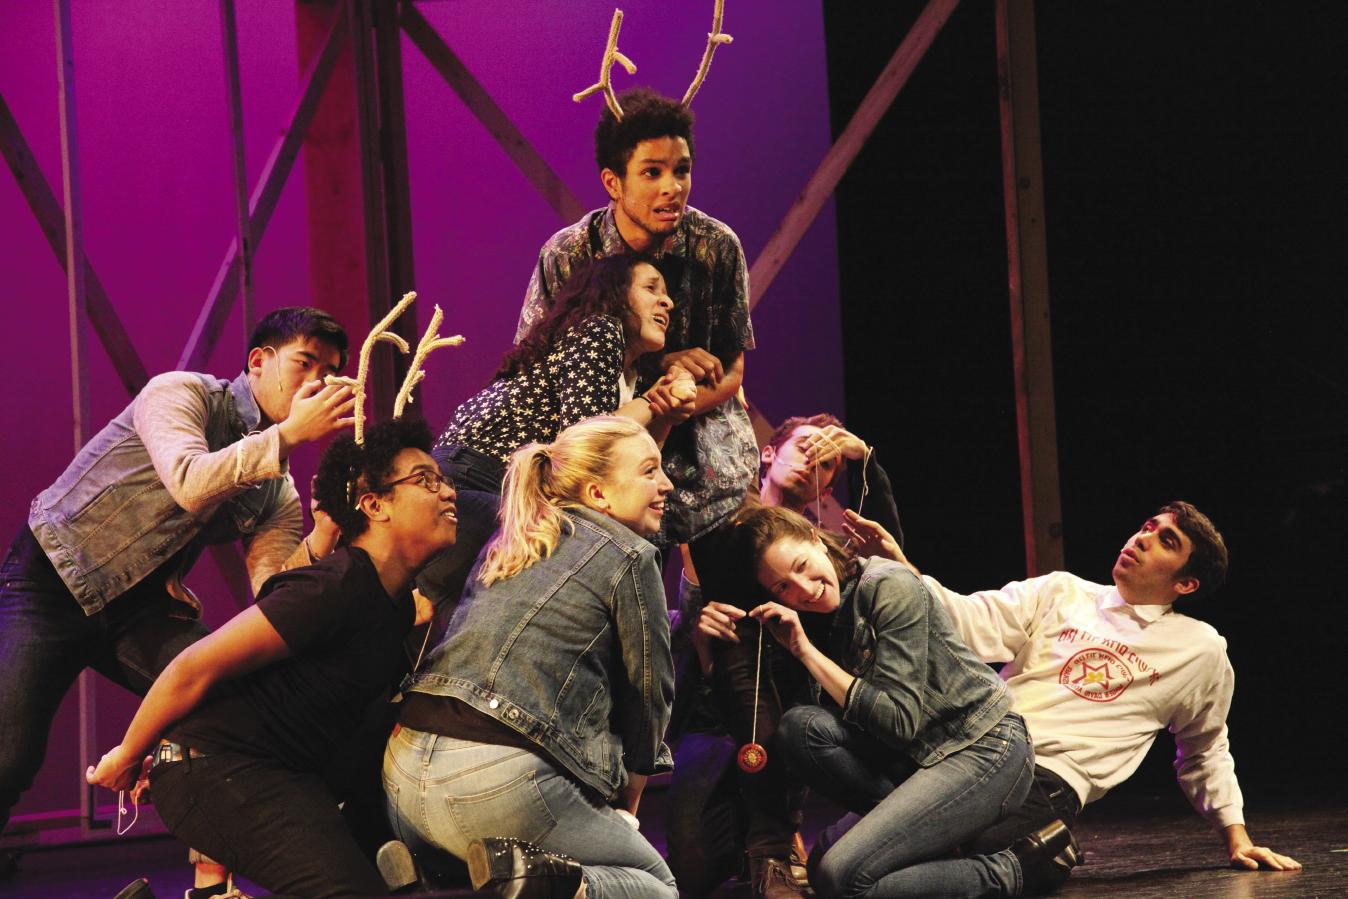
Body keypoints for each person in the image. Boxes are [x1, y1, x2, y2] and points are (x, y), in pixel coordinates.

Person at [0, 306, 352, 834]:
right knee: (10, 757)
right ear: (258, 362)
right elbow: (189, 480)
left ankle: (213, 871)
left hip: (140, 611)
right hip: (51, 582)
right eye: (306, 363)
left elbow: (273, 594)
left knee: (239, 704)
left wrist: (324, 536)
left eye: (330, 372)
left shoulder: (276, 489)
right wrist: (285, 440)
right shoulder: (180, 393)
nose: (318, 382)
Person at [843, 500, 1302, 892]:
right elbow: (965, 621)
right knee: (820, 764)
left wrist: (1236, 838)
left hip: (1046, 782)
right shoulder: (1062, 591)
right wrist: (900, 568)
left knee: (871, 874)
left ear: (1186, 584)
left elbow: (1204, 750)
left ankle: (1018, 862)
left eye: (1167, 541)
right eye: (1148, 527)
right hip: (975, 753)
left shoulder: (1199, 649)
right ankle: (1029, 857)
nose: (1142, 539)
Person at [86, 417, 457, 898]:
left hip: (283, 776)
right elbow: (194, 666)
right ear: (374, 505)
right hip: (216, 771)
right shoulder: (332, 587)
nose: (447, 492)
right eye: (425, 481)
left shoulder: (397, 605)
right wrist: (128, 755)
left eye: (443, 480)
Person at [384, 416, 678, 899]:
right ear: (598, 495)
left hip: (403, 777)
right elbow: (650, 694)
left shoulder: (512, 539)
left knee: (490, 881)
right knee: (657, 887)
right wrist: (633, 793)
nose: (666, 484)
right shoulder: (630, 554)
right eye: (650, 471)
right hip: (498, 785)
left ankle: (432, 883)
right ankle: (545, 882)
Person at [711, 504, 1037, 899]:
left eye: (801, 565)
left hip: (982, 748)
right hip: (916, 761)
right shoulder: (807, 618)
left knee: (843, 877)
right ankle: (938, 833)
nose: (802, 589)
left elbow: (898, 720)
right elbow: (791, 733)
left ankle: (1015, 869)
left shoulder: (887, 585)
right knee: (801, 733)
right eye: (782, 587)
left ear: (817, 540)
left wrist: (805, 652)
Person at [666, 414, 904, 898]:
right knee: (694, 871)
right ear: (767, 454)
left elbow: (887, 557)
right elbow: (692, 619)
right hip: (716, 710)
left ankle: (770, 841)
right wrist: (700, 627)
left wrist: (865, 463)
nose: (814, 466)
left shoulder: (817, 555)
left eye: (827, 465)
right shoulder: (718, 530)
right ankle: (761, 832)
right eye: (806, 450)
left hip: (789, 709)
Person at [517, 87, 757, 548]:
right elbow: (540, 366)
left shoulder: (716, 246)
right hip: (602, 447)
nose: (673, 187)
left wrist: (677, 400)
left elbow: (732, 370)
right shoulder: (569, 254)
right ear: (613, 183)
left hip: (705, 449)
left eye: (681, 170)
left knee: (729, 594)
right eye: (652, 173)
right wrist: (659, 369)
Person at [417, 254, 692, 619]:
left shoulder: (631, 378)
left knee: (462, 618)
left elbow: (626, 455)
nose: (667, 302)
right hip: (474, 477)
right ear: (616, 294)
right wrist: (657, 402)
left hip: (508, 490)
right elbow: (585, 439)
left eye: (667, 293)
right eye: (650, 288)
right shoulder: (600, 330)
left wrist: (666, 411)